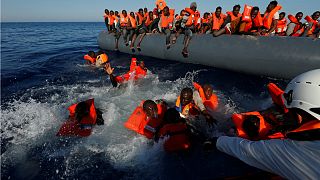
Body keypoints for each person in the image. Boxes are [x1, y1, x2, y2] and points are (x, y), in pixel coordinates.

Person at [205, 69, 320, 179]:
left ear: (300, 115)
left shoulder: (292, 151)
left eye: (291, 111)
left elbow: (247, 149)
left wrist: (216, 141)